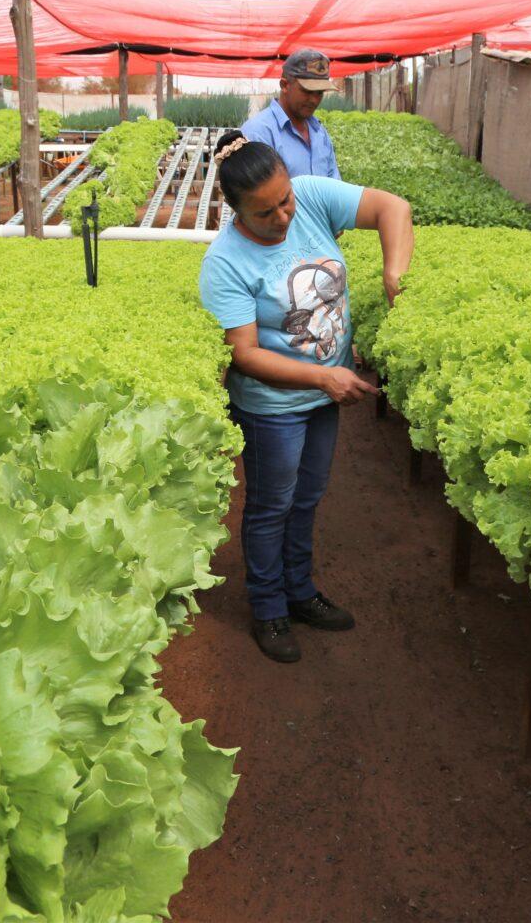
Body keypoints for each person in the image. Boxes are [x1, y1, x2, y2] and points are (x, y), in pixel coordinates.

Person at [199, 129, 413, 663]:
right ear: (237, 211)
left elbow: (394, 208)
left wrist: (394, 271)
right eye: (265, 212)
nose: (284, 217)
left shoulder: (313, 196)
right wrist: (323, 377)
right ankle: (268, 609)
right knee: (272, 505)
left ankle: (300, 592)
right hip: (274, 407)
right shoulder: (225, 262)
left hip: (324, 396)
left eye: (285, 199)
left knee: (308, 497)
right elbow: (244, 354)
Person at [240, 49, 342, 180]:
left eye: (319, 92)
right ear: (285, 85)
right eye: (307, 91)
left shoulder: (320, 134)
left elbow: (334, 188)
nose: (314, 100)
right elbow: (255, 197)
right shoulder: (258, 133)